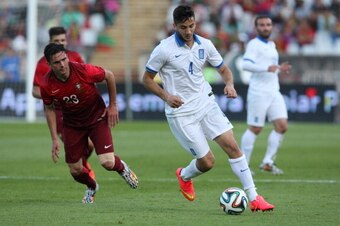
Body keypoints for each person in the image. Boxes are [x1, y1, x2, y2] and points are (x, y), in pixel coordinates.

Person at [142, 5, 274, 212]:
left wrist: (229, 84)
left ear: (196, 22)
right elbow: (147, 79)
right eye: (183, 27)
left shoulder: (205, 44)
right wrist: (166, 96)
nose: (188, 31)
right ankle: (184, 175)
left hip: (206, 103)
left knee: (233, 147)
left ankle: (255, 197)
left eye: (192, 25)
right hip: (182, 113)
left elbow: (224, 69)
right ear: (174, 25)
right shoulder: (163, 49)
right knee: (207, 162)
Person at [40, 43, 138, 203]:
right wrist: (54, 139)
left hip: (97, 119)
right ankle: (92, 187)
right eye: (57, 62)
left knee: (107, 162)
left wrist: (112, 105)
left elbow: (109, 75)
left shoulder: (83, 70)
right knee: (75, 170)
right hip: (72, 125)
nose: (62, 64)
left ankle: (122, 169)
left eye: (64, 59)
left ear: (67, 57)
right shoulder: (47, 84)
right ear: (49, 64)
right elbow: (49, 109)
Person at [32, 26, 96, 179]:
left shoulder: (75, 57)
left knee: (91, 144)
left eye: (62, 40)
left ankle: (82, 166)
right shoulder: (43, 63)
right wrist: (54, 95)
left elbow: (87, 80)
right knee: (79, 147)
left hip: (79, 108)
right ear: (50, 42)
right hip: (59, 113)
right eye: (56, 41)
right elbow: (35, 90)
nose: (60, 43)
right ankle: (89, 177)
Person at [240, 15, 292, 175]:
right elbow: (246, 64)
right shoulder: (254, 44)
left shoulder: (271, 44)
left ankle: (267, 162)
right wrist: (266, 68)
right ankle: (243, 166)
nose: (265, 27)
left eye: (268, 24)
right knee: (255, 128)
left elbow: (270, 67)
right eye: (262, 25)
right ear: (256, 28)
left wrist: (278, 68)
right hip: (259, 92)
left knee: (282, 126)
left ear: (272, 27)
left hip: (273, 91)